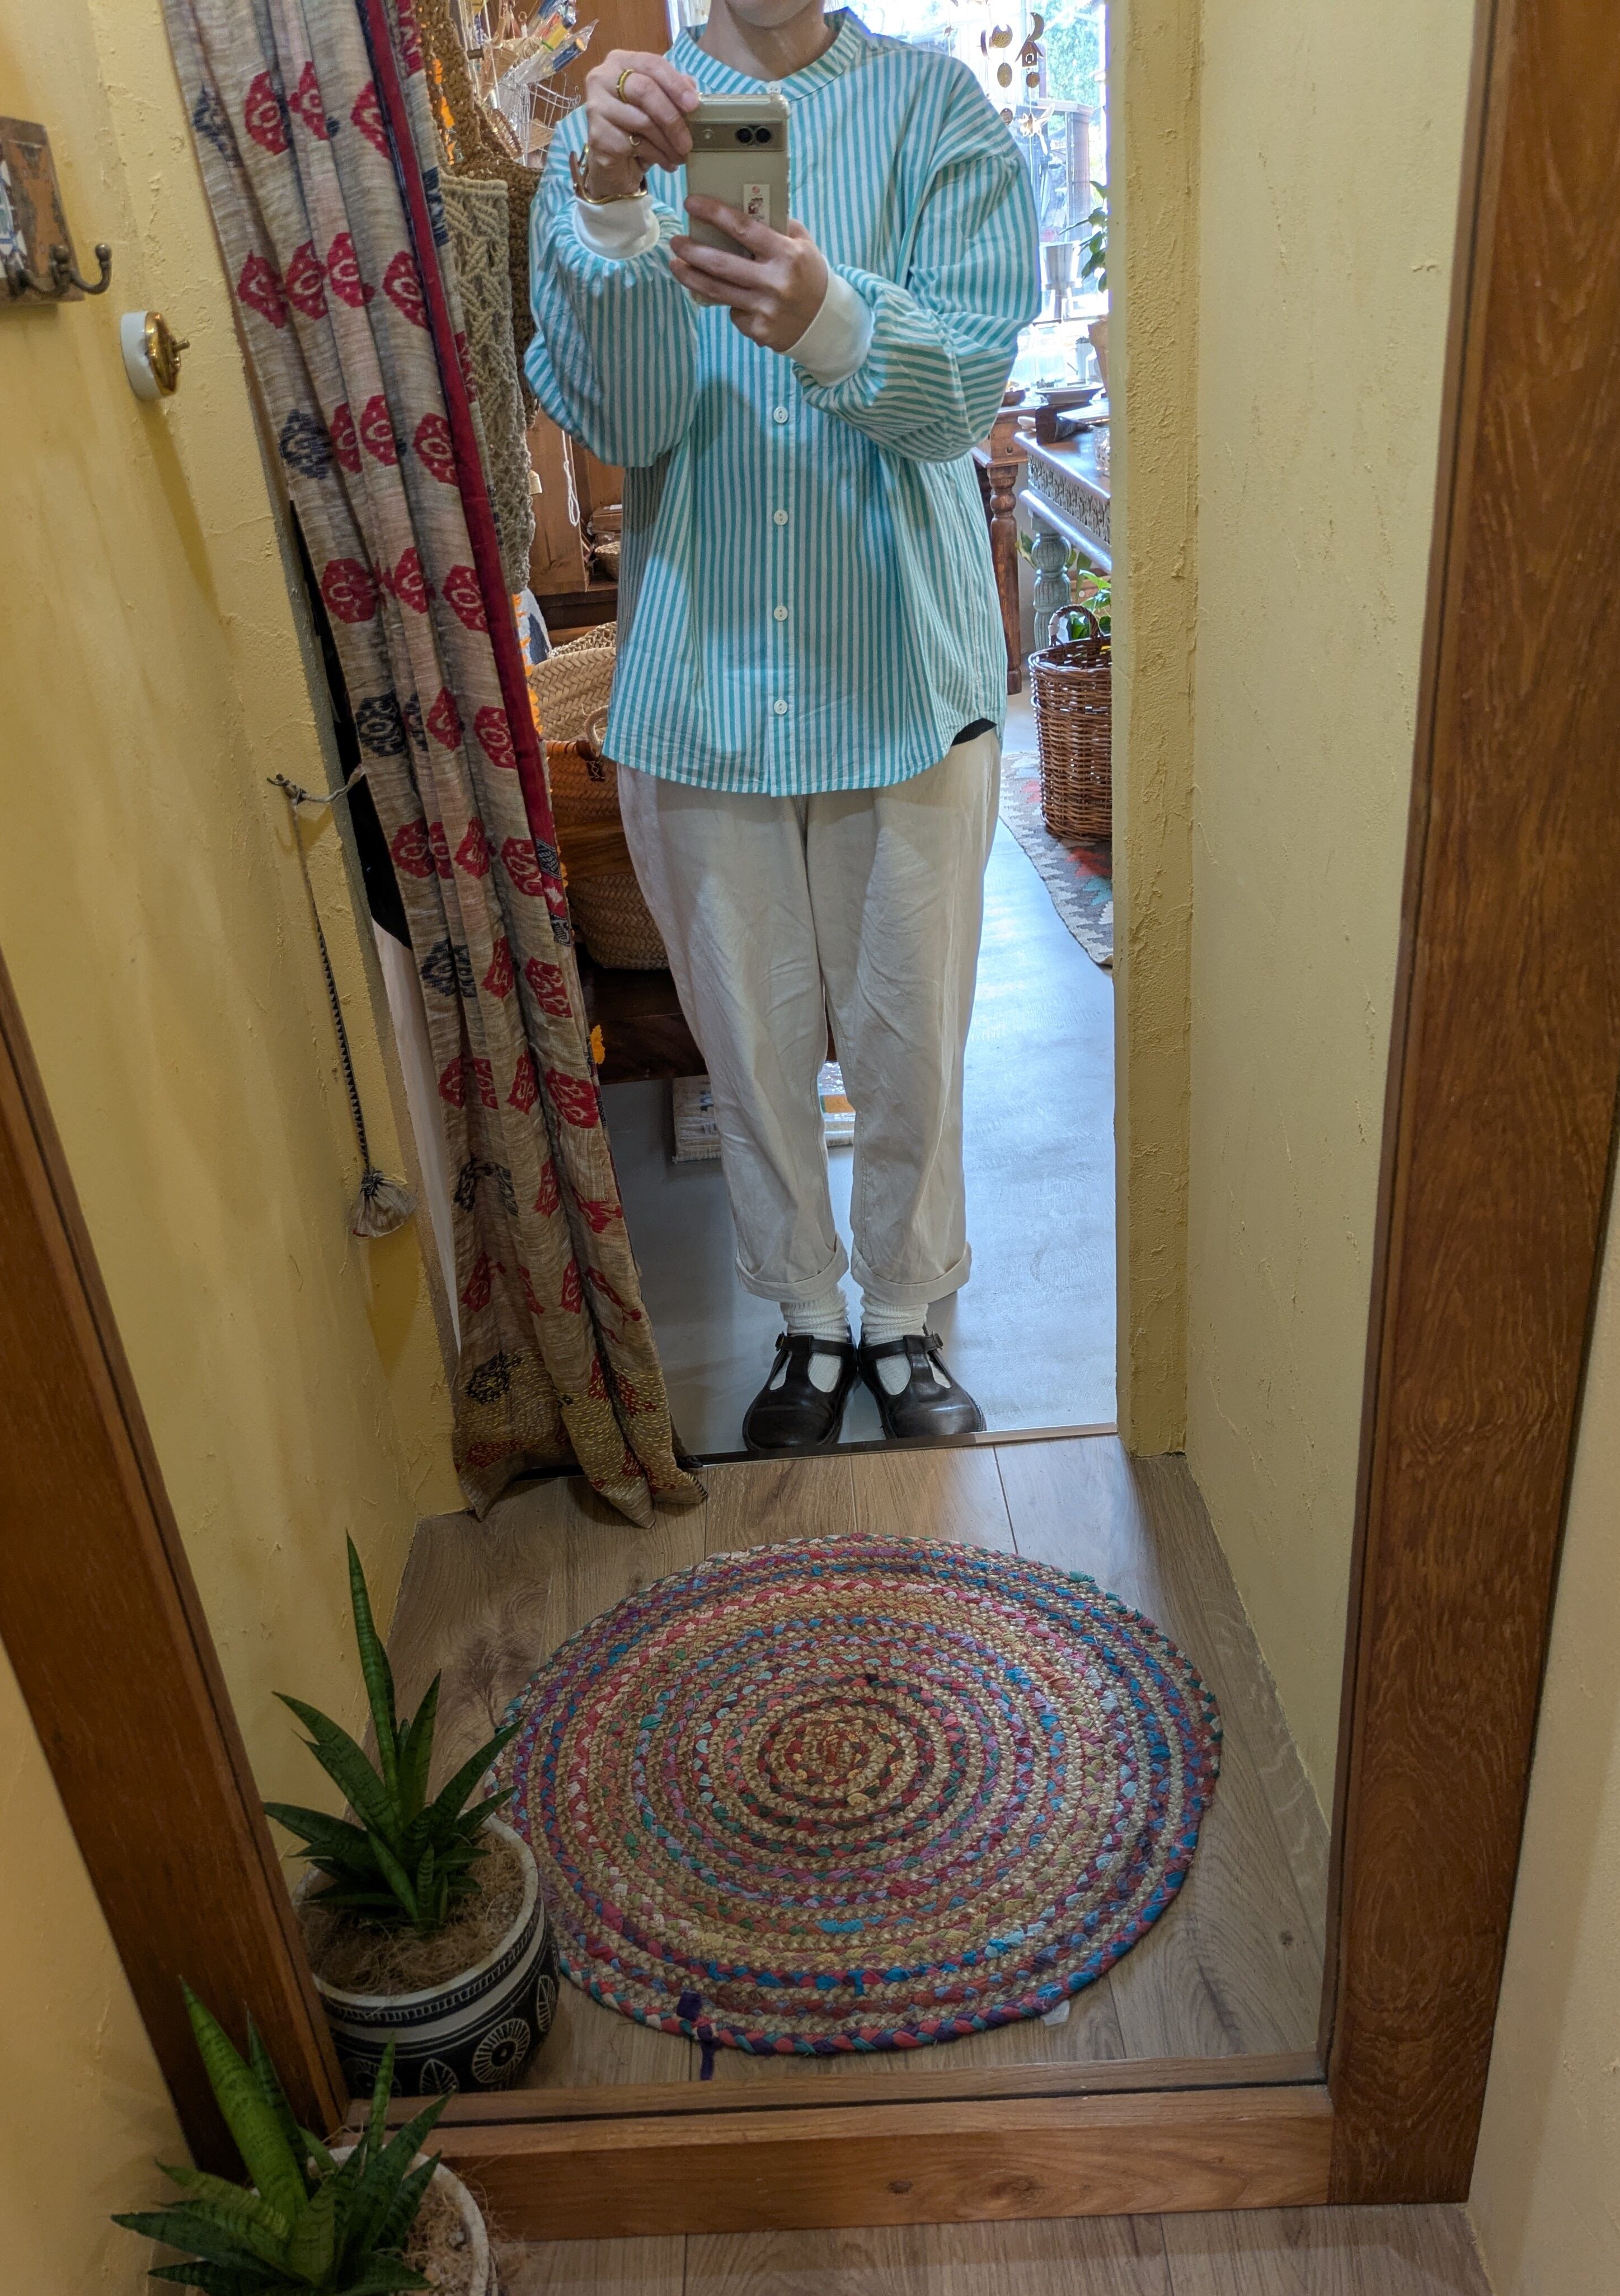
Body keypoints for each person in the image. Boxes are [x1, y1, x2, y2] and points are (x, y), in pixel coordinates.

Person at [527, 3, 1040, 1451]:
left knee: (911, 1033)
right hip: (707, 678)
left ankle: (905, 1311)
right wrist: (612, 208)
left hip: (904, 674)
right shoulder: (604, 137)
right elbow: (625, 420)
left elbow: (961, 397)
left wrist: (826, 313)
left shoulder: (937, 111)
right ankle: (807, 1316)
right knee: (746, 1043)